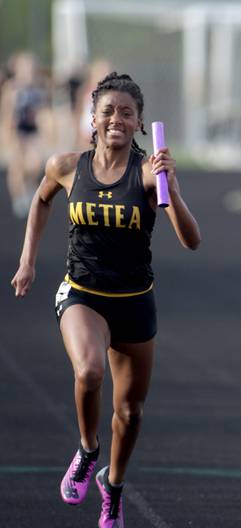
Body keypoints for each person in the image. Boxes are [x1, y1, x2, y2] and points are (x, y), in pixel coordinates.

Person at [10, 72, 201, 527]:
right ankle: (88, 449)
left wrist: (171, 188)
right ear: (92, 118)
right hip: (82, 292)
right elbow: (40, 202)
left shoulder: (148, 174)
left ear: (139, 124)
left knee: (131, 410)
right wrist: (28, 261)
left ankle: (112, 488)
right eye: (108, 111)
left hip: (134, 299)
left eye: (127, 113)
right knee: (90, 369)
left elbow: (191, 241)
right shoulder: (65, 165)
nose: (116, 119)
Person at [0, 51, 47, 217]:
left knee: (34, 164)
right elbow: (7, 113)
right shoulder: (11, 88)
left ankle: (29, 186)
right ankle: (18, 196)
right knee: (17, 165)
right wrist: (7, 135)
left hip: (31, 130)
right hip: (17, 131)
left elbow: (41, 112)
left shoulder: (37, 88)